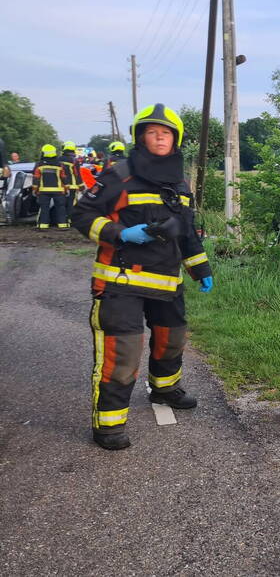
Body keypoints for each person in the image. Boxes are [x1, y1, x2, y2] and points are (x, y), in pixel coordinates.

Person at [71, 104, 214, 451]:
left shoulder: (179, 183)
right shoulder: (118, 175)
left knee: (173, 339)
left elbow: (186, 232)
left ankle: (165, 389)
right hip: (120, 284)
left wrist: (201, 269)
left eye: (166, 132)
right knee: (123, 353)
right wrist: (121, 233)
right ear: (140, 137)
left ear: (175, 139)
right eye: (152, 131)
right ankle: (109, 423)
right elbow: (82, 213)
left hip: (167, 284)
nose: (159, 136)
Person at [33, 144, 69, 229]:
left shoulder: (39, 164)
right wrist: (66, 189)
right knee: (60, 208)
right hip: (59, 191)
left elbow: (36, 178)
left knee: (44, 208)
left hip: (43, 191)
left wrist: (35, 189)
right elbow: (64, 177)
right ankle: (63, 225)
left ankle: (43, 225)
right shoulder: (59, 164)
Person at [59, 141, 82, 226]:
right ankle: (71, 221)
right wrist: (81, 186)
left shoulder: (59, 159)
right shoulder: (74, 160)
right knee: (71, 204)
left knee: (62, 204)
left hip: (61, 186)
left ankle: (62, 221)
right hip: (72, 186)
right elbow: (77, 174)